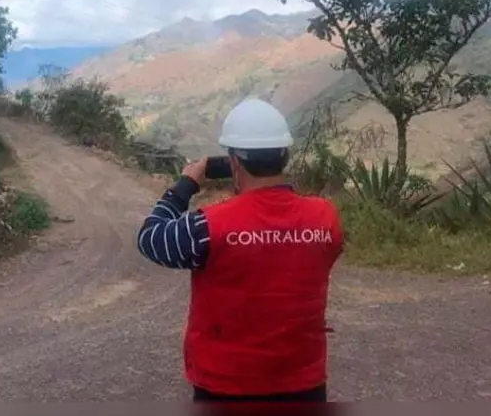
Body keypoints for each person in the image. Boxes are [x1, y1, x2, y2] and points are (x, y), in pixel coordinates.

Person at [135, 98, 344, 403]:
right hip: (304, 382)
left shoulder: (208, 226)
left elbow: (151, 238)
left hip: (226, 385)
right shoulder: (326, 218)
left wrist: (186, 184)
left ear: (233, 162)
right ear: (284, 155)